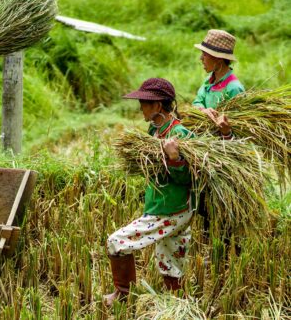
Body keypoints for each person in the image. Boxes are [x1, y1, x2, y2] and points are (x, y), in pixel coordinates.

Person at [104, 78, 194, 306]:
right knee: (169, 260)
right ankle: (177, 306)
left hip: (171, 209)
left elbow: (189, 178)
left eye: (144, 102)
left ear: (158, 106)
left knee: (116, 242)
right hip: (161, 206)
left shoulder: (180, 134)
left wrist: (175, 158)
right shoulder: (154, 132)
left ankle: (123, 295)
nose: (140, 107)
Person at [193, 29, 245, 140]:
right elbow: (196, 102)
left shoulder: (234, 88)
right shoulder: (209, 81)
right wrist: (203, 110)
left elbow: (239, 129)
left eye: (205, 54)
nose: (201, 58)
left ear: (219, 59)